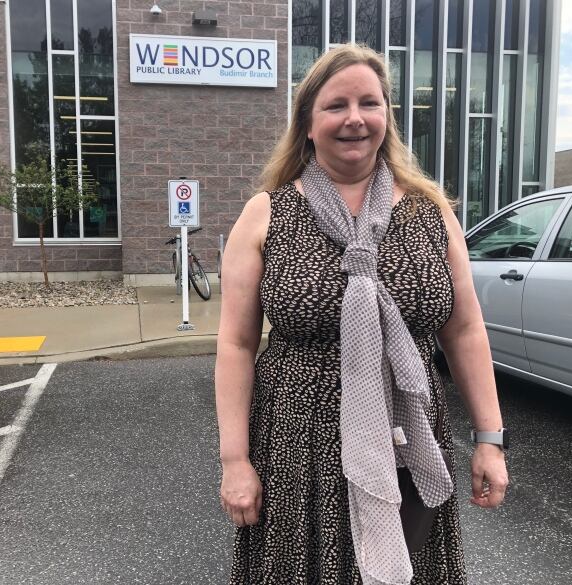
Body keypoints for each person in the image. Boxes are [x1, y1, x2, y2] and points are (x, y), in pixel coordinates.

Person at [214, 44, 509, 585]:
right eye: (335, 105)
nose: (354, 118)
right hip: (296, 447)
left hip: (407, 437)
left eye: (369, 103)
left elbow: (464, 329)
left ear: (387, 118)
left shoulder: (429, 211)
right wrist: (235, 460)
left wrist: (490, 439)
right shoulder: (265, 214)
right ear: (307, 123)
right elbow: (235, 344)